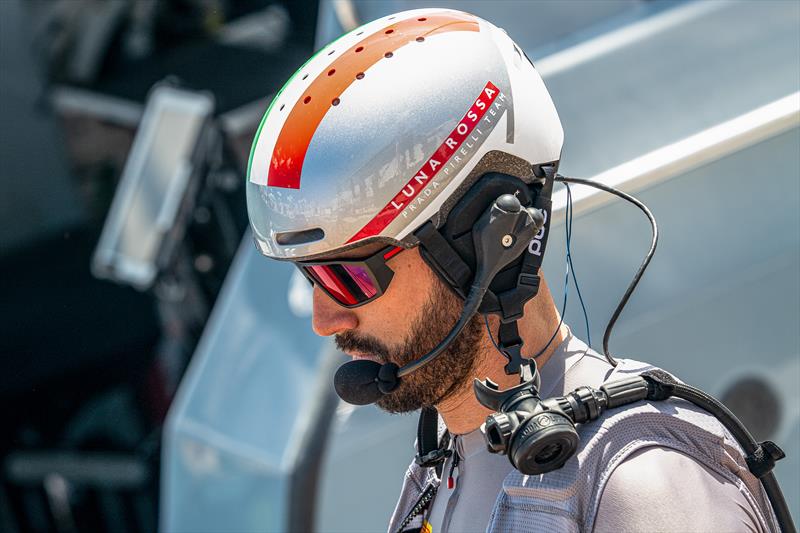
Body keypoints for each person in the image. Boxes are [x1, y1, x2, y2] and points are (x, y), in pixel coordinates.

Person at [246, 8, 781, 532]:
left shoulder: (642, 482)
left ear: (487, 243)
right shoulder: (446, 464)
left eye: (348, 277)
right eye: (311, 278)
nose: (324, 318)